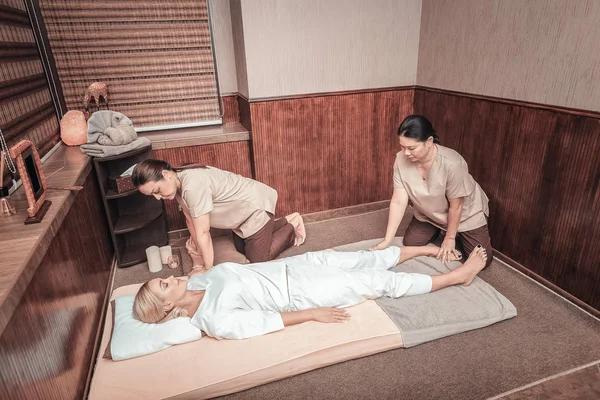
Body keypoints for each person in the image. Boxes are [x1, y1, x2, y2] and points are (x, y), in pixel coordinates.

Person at [132, 244, 488, 340]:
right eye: (164, 284)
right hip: (302, 291)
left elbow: (218, 269)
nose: (169, 277)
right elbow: (268, 321)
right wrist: (313, 314)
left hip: (299, 265)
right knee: (377, 281)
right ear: (166, 307)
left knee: (361, 258)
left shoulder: (195, 282)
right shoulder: (213, 320)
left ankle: (425, 250)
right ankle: (458, 277)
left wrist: (197, 259)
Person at [132, 159, 306, 270]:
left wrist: (208, 269)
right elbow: (191, 221)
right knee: (241, 249)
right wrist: (199, 253)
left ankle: (293, 225)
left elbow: (203, 232)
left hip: (255, 206)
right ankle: (286, 220)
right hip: (240, 217)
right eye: (152, 195)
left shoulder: (193, 185)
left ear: (166, 175)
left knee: (258, 261)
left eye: (156, 190)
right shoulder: (177, 186)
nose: (157, 197)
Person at [371, 115, 492, 267]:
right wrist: (387, 240)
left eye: (411, 148)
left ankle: (453, 234)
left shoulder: (453, 163)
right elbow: (398, 200)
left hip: (465, 215)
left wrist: (450, 238)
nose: (405, 152)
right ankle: (441, 230)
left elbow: (457, 206)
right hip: (429, 213)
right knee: (411, 242)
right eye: (402, 146)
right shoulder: (400, 159)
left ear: (429, 142)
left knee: (483, 261)